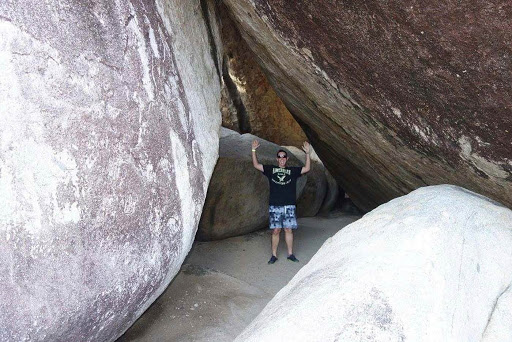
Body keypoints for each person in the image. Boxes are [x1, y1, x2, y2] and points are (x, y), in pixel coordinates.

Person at [251, 139, 311, 264]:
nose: (282, 159)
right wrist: (253, 150)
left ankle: (290, 254)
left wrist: (307, 153)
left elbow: (306, 168)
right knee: (276, 230)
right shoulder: (271, 170)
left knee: (288, 229)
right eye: (279, 157)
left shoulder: (293, 171)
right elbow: (256, 165)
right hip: (275, 205)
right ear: (277, 159)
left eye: (284, 157)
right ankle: (274, 255)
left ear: (287, 159)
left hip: (289, 205)